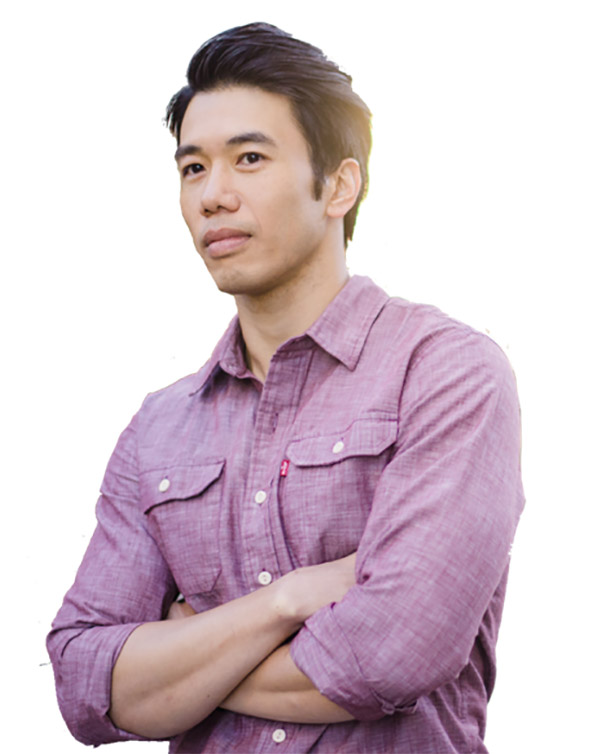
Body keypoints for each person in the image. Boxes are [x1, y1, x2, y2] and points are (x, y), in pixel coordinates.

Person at [47, 22, 524, 753]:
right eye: (193, 168)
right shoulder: (159, 429)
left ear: (338, 185)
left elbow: (390, 654)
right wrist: (285, 602)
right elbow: (84, 680)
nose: (213, 195)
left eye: (249, 158)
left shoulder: (445, 373)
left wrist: (177, 663)